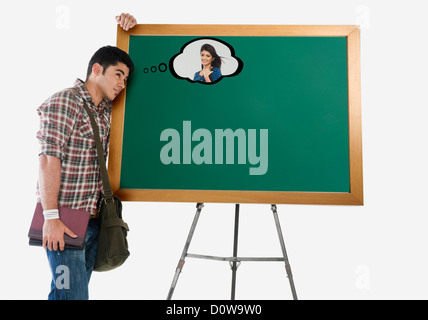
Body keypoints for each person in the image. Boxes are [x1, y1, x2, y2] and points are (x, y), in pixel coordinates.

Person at [36, 13, 137, 300]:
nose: (122, 83)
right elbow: (48, 157)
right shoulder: (66, 100)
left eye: (126, 79)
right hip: (64, 219)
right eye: (118, 75)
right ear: (96, 69)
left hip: (94, 219)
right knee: (71, 294)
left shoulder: (105, 111)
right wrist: (51, 217)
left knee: (70, 293)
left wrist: (129, 28)